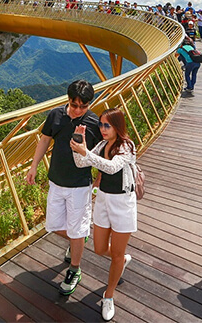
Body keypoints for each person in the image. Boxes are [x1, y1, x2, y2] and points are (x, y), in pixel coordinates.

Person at [25, 80, 102, 296]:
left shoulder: (94, 123)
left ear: (89, 104)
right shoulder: (56, 115)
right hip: (56, 180)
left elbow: (102, 155)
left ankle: (74, 269)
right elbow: (44, 140)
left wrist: (98, 177)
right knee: (53, 225)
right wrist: (34, 166)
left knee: (76, 230)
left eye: (83, 106)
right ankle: (78, 239)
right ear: (68, 100)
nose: (78, 110)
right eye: (74, 104)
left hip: (79, 185)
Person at [70, 107, 137, 321]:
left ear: (118, 126)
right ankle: (122, 259)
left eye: (107, 125)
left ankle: (109, 296)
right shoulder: (101, 145)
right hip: (104, 200)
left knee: (115, 254)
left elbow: (111, 168)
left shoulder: (127, 146)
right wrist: (79, 144)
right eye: (100, 125)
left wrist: (85, 152)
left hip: (123, 203)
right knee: (99, 249)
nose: (103, 129)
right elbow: (80, 162)